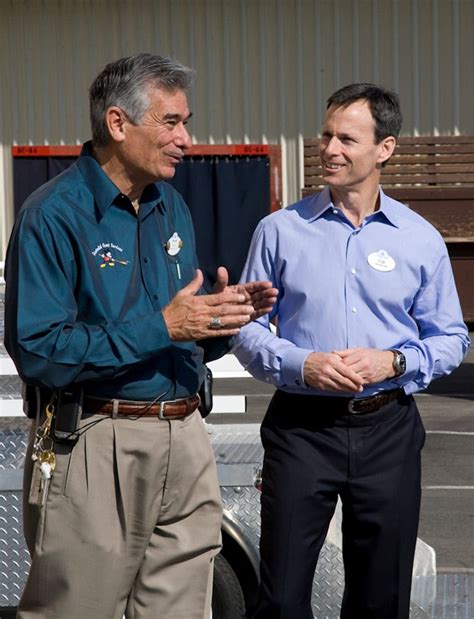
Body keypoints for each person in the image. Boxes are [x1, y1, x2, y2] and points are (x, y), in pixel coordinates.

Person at [4, 53, 277, 619]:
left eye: (187, 121)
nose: (187, 139)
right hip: (94, 439)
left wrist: (217, 321)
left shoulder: (170, 206)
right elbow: (38, 351)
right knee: (77, 609)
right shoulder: (52, 215)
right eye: (171, 122)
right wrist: (166, 326)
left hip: (186, 437)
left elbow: (176, 332)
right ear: (118, 123)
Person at [233, 83, 470, 618]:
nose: (330, 149)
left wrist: (396, 361)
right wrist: (304, 364)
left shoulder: (420, 238)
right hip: (301, 431)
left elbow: (451, 338)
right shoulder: (280, 231)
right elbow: (246, 332)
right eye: (325, 135)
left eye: (346, 138)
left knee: (381, 600)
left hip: (387, 428)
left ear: (384, 149)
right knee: (282, 598)